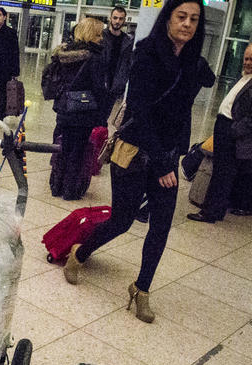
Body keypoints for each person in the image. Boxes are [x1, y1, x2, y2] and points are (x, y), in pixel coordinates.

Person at [62, 0, 206, 324]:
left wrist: (175, 159)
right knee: (122, 220)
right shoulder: (146, 53)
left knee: (161, 227)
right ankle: (79, 253)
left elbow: (182, 116)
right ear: (168, 19)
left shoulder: (192, 64)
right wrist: (161, 164)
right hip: (135, 152)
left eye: (194, 19)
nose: (187, 24)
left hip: (166, 158)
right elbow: (139, 112)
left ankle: (141, 289)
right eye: (181, 17)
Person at [187, 42, 252, 222]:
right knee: (219, 171)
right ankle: (212, 209)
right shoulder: (244, 77)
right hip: (225, 127)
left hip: (234, 134)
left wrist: (232, 132)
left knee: (223, 175)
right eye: (246, 58)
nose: (247, 62)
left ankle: (211, 212)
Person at [48, 17, 108, 200]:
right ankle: (70, 190)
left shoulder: (64, 53)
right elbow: (98, 88)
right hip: (83, 110)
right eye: (99, 33)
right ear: (92, 34)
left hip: (64, 107)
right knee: (78, 150)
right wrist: (102, 114)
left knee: (63, 147)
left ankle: (56, 186)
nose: (101, 37)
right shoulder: (95, 57)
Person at [102, 5, 133, 117]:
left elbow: (128, 64)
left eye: (120, 19)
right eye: (115, 18)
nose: (117, 21)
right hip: (99, 84)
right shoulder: (101, 37)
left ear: (124, 20)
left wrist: (121, 83)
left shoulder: (127, 41)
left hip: (114, 87)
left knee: (104, 118)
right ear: (110, 18)